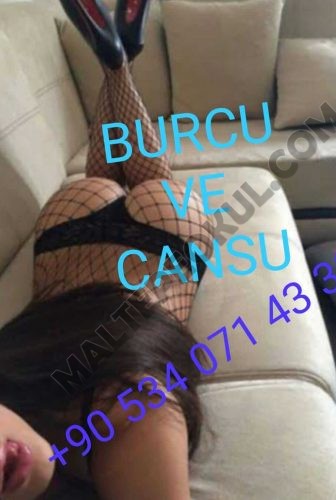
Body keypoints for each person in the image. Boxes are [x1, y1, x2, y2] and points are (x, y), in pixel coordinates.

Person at [0, 0, 214, 498]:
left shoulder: (124, 405)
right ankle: (118, 64)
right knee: (111, 179)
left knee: (149, 183)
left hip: (160, 250)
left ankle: (118, 61)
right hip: (69, 230)